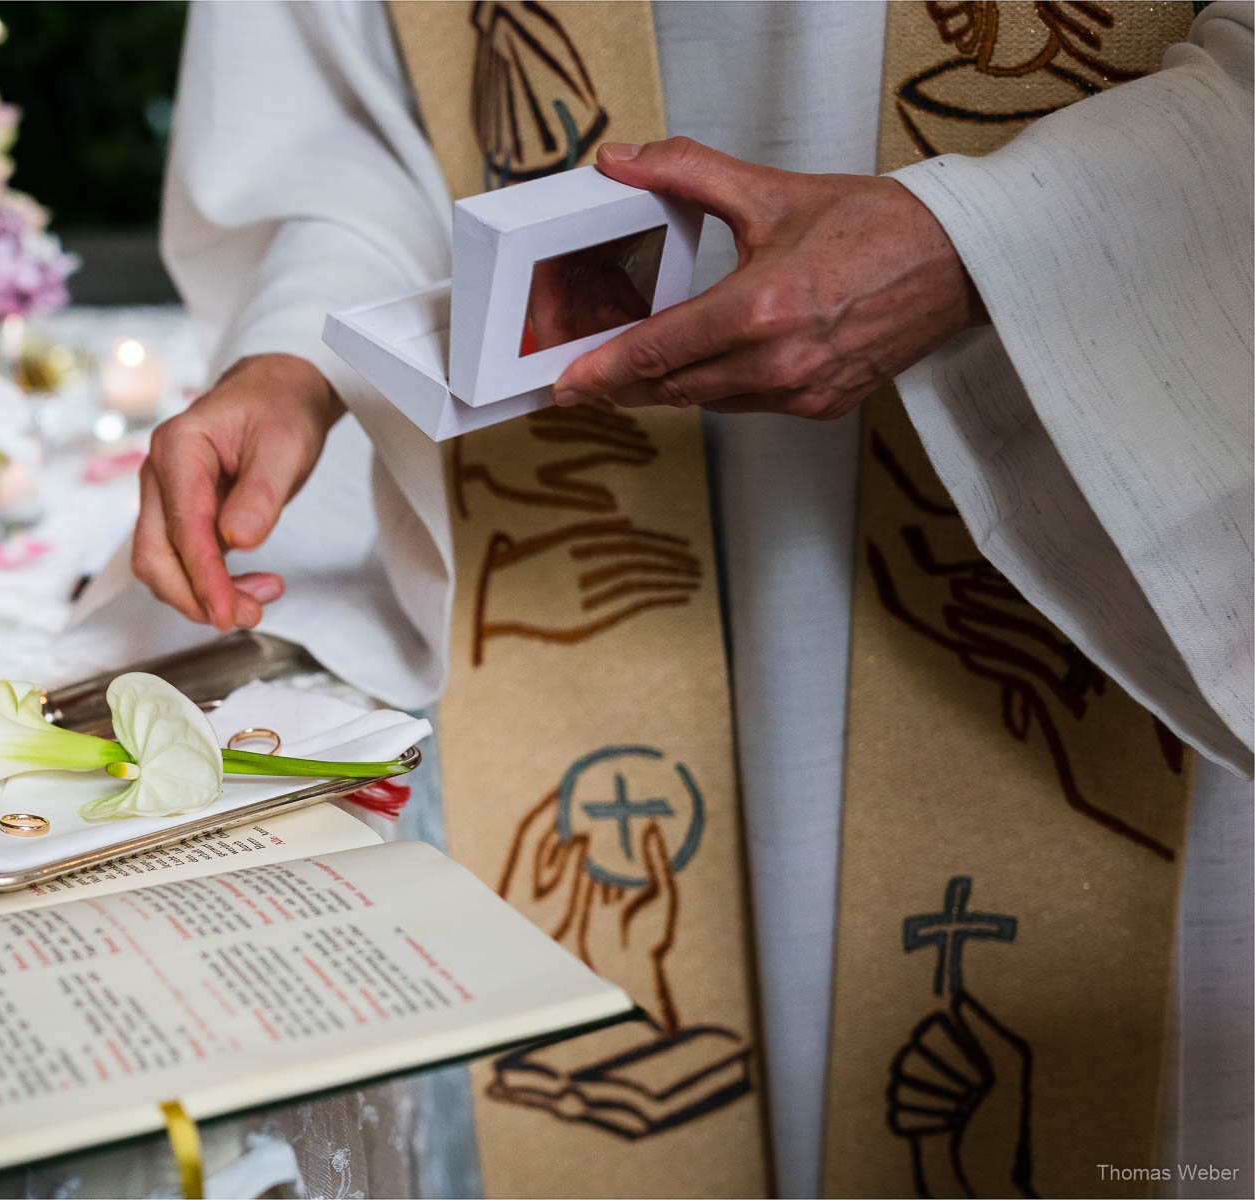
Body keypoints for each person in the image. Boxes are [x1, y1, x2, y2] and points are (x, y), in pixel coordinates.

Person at [119, 2, 1252, 1193]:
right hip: (591, 550)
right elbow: (349, 126)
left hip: (1083, 475)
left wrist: (983, 241)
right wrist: (302, 354)